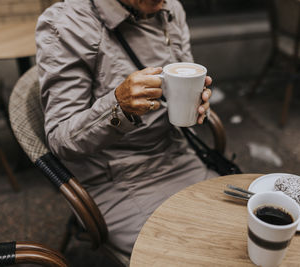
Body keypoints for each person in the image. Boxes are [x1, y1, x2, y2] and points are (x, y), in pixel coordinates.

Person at [35, 0, 217, 257]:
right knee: (193, 256)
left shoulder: (171, 9)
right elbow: (60, 140)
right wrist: (118, 107)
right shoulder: (67, 23)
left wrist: (199, 104)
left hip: (178, 155)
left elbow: (184, 79)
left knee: (241, 232)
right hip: (117, 177)